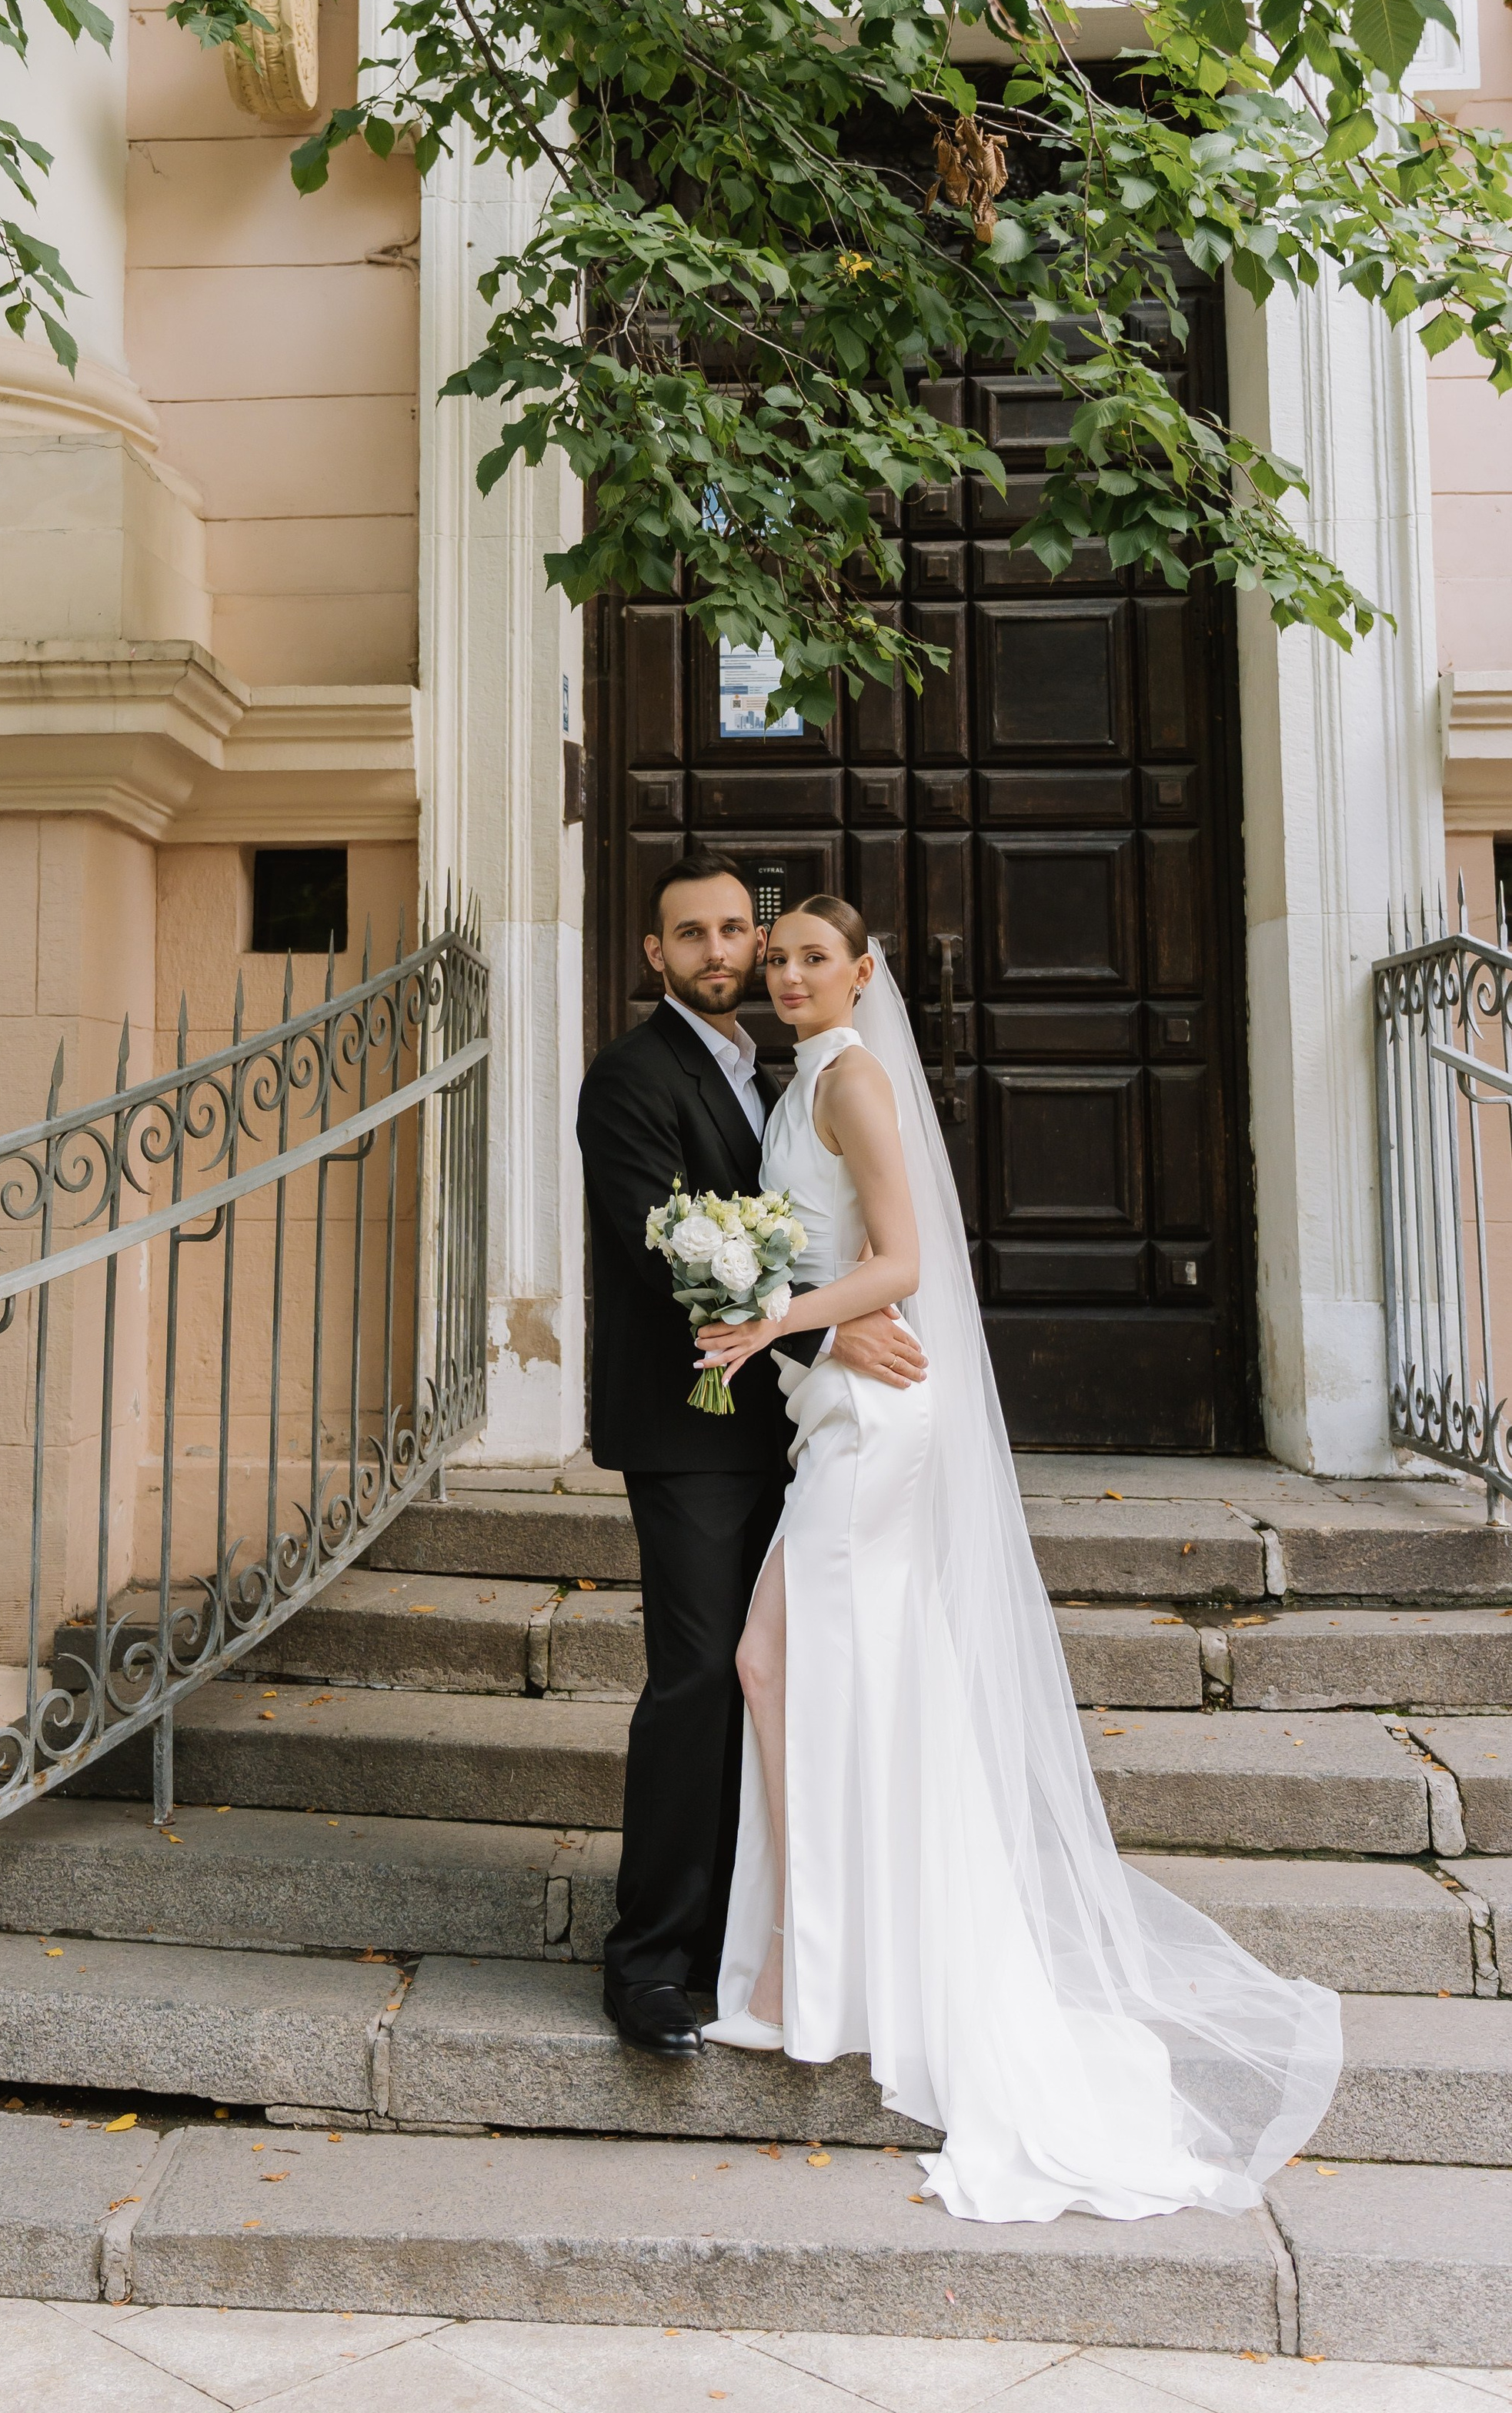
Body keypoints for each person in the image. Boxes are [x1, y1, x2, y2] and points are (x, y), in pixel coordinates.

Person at [693, 893, 1343, 2223]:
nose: (794, 974)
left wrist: (778, 1325)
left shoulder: (857, 1079)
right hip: (842, 1407)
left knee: (780, 1663)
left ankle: (795, 1975)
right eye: (783, 959)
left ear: (866, 973)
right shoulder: (803, 1076)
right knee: (804, 1667)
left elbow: (908, 1260)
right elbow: (836, 1257)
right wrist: (791, 1320)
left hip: (880, 1421)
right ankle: (829, 1962)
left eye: (820, 958)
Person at [575, 855, 928, 2061]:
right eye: (695, 935)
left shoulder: (774, 1071)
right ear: (654, 954)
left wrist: (826, 1323)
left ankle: (755, 1931)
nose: (725, 953)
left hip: (790, 1423)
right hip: (690, 1431)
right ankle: (651, 1964)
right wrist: (835, 1319)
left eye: (741, 931)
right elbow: (664, 1255)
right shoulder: (629, 1081)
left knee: (777, 1673)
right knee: (697, 1680)